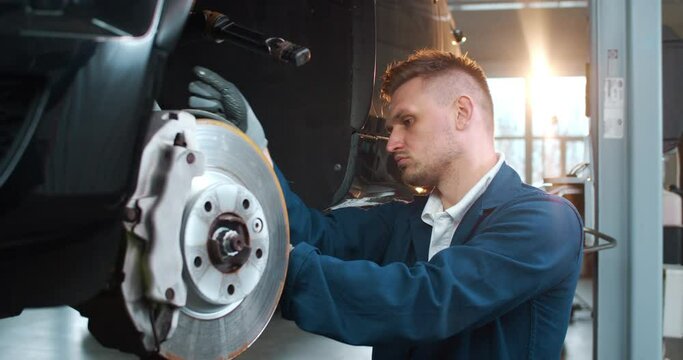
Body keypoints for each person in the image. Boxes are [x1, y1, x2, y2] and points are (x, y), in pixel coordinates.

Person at [190, 49, 584, 359]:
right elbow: (313, 234)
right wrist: (255, 148)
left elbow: (430, 300)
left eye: (407, 122)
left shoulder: (544, 222)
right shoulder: (406, 220)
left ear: (462, 113)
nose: (392, 141)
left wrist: (274, 264)